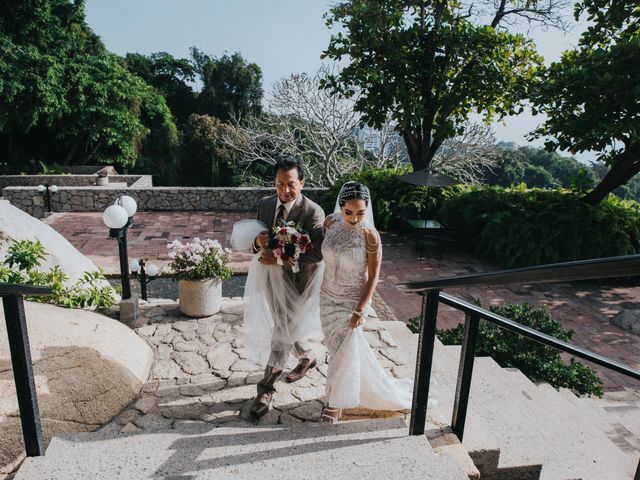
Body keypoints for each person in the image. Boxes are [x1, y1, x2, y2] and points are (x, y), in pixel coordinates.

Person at [318, 181, 437, 423]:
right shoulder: (331, 223)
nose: (354, 218)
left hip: (352, 300)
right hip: (327, 296)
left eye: (360, 213)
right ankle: (347, 390)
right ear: (340, 207)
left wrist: (361, 308)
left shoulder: (370, 236)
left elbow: (374, 277)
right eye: (348, 212)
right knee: (336, 349)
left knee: (345, 348)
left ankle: (335, 402)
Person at [240, 157, 325, 419]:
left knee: (281, 330)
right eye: (279, 184)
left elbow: (318, 253)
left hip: (299, 281)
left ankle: (265, 389)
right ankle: (307, 357)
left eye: (291, 184)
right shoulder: (266, 205)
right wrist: (256, 242)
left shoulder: (313, 212)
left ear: (302, 183)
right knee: (284, 323)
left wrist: (277, 258)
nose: (285, 190)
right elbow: (256, 241)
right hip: (268, 277)